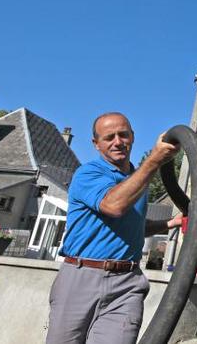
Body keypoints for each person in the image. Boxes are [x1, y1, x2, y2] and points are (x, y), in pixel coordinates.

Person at [46, 112, 182, 344]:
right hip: (81, 276)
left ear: (132, 137)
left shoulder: (137, 179)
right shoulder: (89, 173)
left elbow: (130, 226)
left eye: (123, 134)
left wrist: (170, 223)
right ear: (96, 144)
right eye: (109, 137)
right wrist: (154, 161)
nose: (118, 142)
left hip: (126, 283)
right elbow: (114, 206)